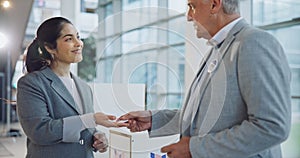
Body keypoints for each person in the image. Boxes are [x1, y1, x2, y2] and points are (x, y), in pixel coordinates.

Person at [118, 0, 291, 158]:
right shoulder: (218, 49)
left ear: (214, 5)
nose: (188, 17)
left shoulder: (253, 42)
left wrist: (194, 149)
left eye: (192, 6)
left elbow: (272, 127)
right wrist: (154, 120)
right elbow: (208, 116)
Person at [17, 17, 123, 158]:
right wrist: (90, 119)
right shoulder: (32, 83)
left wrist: (96, 137)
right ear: (49, 47)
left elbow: (83, 126)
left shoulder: (84, 87)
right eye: (68, 39)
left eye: (78, 37)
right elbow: (39, 131)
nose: (78, 43)